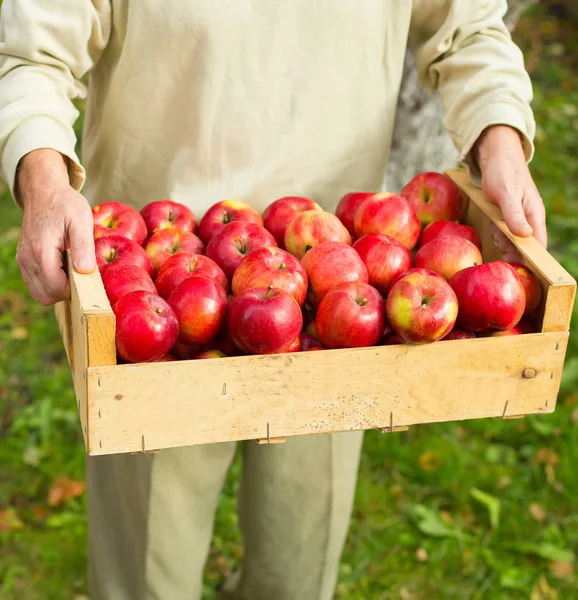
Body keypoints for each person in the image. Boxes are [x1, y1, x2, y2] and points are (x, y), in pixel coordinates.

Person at [0, 2, 547, 599]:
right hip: (154, 279)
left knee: (298, 561)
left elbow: (467, 26)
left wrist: (500, 139)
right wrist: (44, 181)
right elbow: (32, 51)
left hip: (344, 277)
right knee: (147, 566)